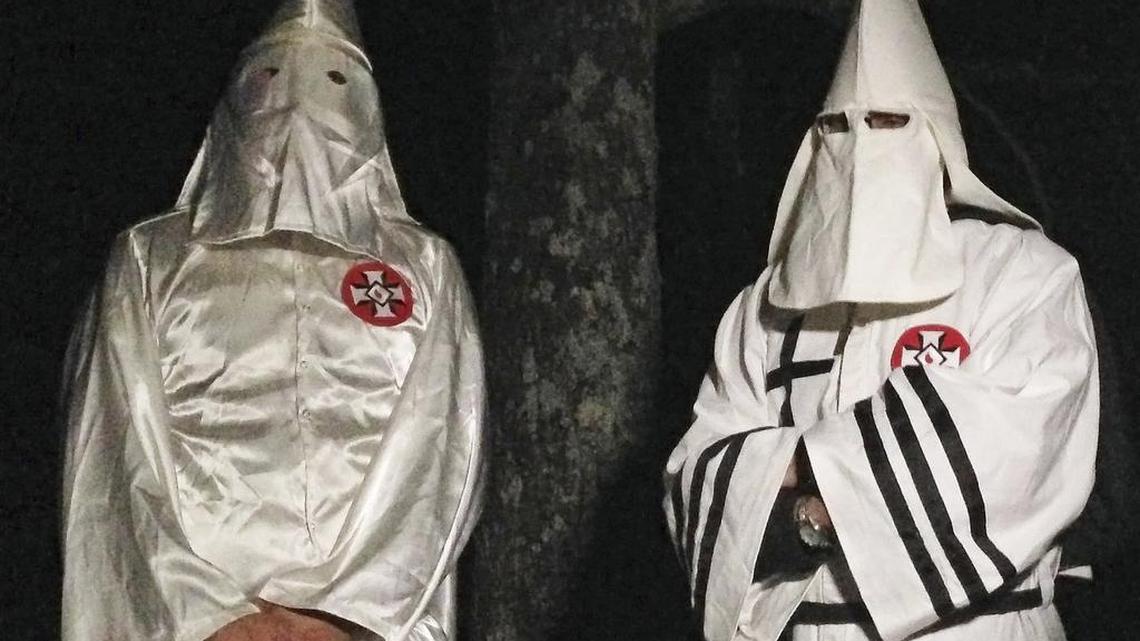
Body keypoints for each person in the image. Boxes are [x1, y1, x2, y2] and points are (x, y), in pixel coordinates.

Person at [662, 0, 1098, 640]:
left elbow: (1014, 445)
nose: (863, 143)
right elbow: (698, 473)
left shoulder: (1022, 272)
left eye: (890, 122)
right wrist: (836, 493)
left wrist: (800, 480)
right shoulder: (765, 307)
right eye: (837, 127)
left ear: (935, 137)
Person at [59, 2, 485, 640]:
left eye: (335, 80)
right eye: (271, 75)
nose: (296, 105)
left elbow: (442, 448)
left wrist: (340, 618)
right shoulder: (152, 259)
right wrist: (214, 616)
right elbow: (114, 446)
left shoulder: (424, 266)